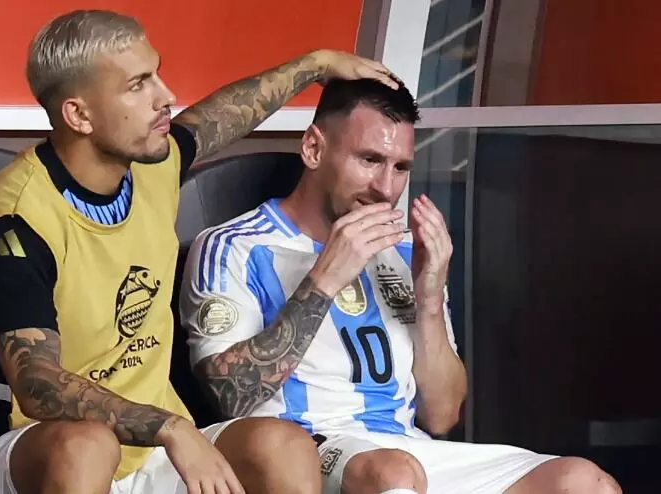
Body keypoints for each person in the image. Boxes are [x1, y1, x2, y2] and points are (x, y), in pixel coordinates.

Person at [0, 9, 400, 494]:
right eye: (138, 85)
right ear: (79, 115)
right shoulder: (12, 221)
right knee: (88, 445)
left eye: (156, 74)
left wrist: (316, 64)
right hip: (22, 455)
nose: (165, 96)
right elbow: (37, 385)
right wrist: (171, 428)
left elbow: (221, 116)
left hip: (149, 451)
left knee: (282, 444)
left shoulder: (150, 167)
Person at [180, 78, 622, 494]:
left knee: (583, 481)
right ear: (314, 148)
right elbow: (229, 398)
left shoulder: (406, 252)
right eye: (369, 160)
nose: (385, 188)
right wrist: (325, 277)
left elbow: (442, 415)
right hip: (308, 447)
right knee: (393, 472)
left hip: (408, 449)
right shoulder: (235, 247)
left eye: (401, 167)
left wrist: (429, 301)